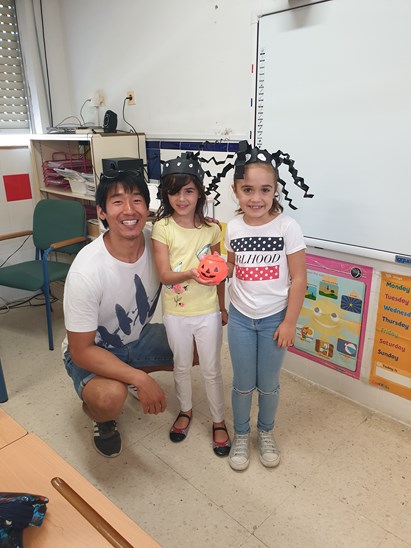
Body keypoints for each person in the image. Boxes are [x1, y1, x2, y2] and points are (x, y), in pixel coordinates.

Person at [62, 170, 173, 458]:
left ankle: (128, 375)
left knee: (196, 344)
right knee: (109, 398)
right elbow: (80, 350)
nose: (129, 210)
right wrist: (141, 379)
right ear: (101, 212)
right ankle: (102, 417)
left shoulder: (157, 243)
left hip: (137, 338)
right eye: (117, 201)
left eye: (137, 200)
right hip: (93, 350)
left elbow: (191, 236)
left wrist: (204, 227)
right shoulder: (87, 270)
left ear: (147, 208)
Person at [224, 142, 308, 471]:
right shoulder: (232, 228)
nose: (256, 198)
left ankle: (266, 431)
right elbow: (232, 267)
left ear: (275, 190)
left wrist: (289, 323)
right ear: (236, 191)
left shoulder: (288, 227)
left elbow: (299, 279)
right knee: (243, 383)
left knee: (269, 384)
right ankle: (241, 434)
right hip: (241, 319)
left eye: (265, 190)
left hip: (275, 320)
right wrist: (215, 269)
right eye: (247, 190)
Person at [151, 152, 231, 457]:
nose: (182, 199)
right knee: (181, 365)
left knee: (212, 369)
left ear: (199, 192)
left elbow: (219, 272)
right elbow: (164, 275)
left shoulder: (212, 229)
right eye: (174, 192)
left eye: (188, 191)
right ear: (166, 194)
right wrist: (191, 273)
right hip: (176, 312)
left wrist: (222, 306)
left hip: (208, 311)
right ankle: (185, 410)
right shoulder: (162, 228)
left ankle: (218, 420)